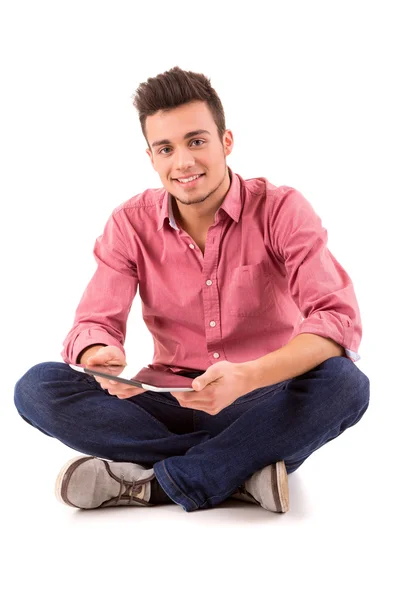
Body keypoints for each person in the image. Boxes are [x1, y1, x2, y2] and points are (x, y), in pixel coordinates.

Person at [14, 66, 370, 514]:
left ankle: (153, 484)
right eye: (166, 148)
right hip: (166, 397)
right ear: (151, 157)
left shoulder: (281, 209)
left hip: (258, 396)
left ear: (226, 142)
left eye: (196, 141)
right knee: (39, 387)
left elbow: (337, 320)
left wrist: (249, 376)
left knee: (344, 384)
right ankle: (242, 467)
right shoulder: (130, 223)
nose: (183, 162)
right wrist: (100, 356)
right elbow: (92, 324)